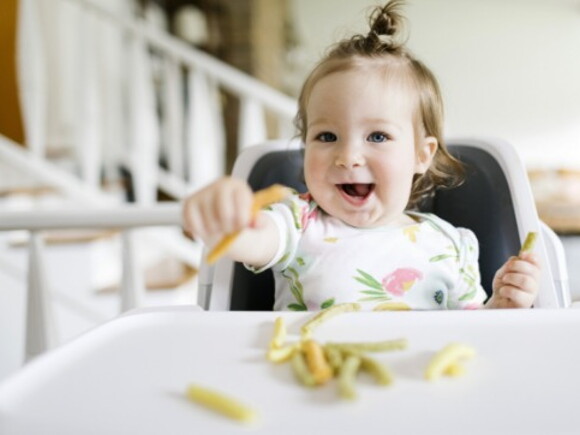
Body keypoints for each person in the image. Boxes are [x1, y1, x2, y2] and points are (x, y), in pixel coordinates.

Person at [182, 0, 540, 311]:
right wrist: (223, 218)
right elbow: (251, 240)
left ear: (421, 154)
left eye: (378, 136)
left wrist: (503, 305)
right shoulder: (296, 222)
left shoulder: (450, 244)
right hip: (312, 379)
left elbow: (474, 333)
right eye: (326, 136)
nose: (348, 156)